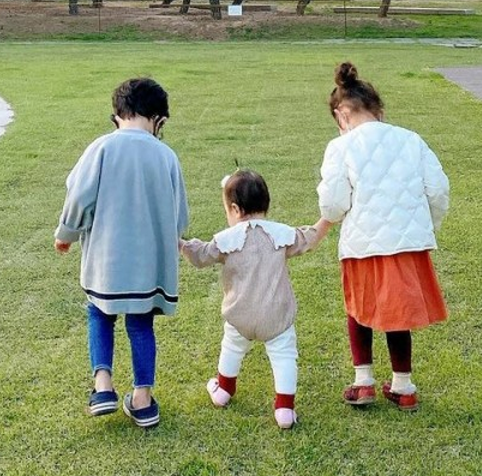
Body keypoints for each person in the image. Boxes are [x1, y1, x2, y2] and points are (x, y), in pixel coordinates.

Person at [54, 77, 189, 429]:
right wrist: (174, 240)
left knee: (99, 313)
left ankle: (103, 388)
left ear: (117, 116)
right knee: (141, 323)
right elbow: (179, 215)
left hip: (106, 264)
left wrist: (66, 234)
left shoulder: (101, 148)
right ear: (159, 120)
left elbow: (78, 196)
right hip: (149, 268)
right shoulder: (166, 155)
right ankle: (142, 400)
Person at [317, 61, 449, 412]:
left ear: (342, 115)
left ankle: (363, 382)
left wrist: (332, 218)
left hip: (362, 244)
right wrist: (428, 225)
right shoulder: (411, 139)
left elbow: (333, 204)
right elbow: (438, 189)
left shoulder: (341, 147)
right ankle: (403, 386)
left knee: (358, 308)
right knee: (397, 311)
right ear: (379, 111)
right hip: (407, 245)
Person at [180, 169, 331, 429]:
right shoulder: (281, 234)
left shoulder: (227, 240)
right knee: (284, 355)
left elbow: (200, 255)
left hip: (240, 315)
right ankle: (284, 409)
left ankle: (224, 389)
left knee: (232, 346)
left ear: (235, 209)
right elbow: (310, 238)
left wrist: (179, 243)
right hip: (276, 316)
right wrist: (328, 218)